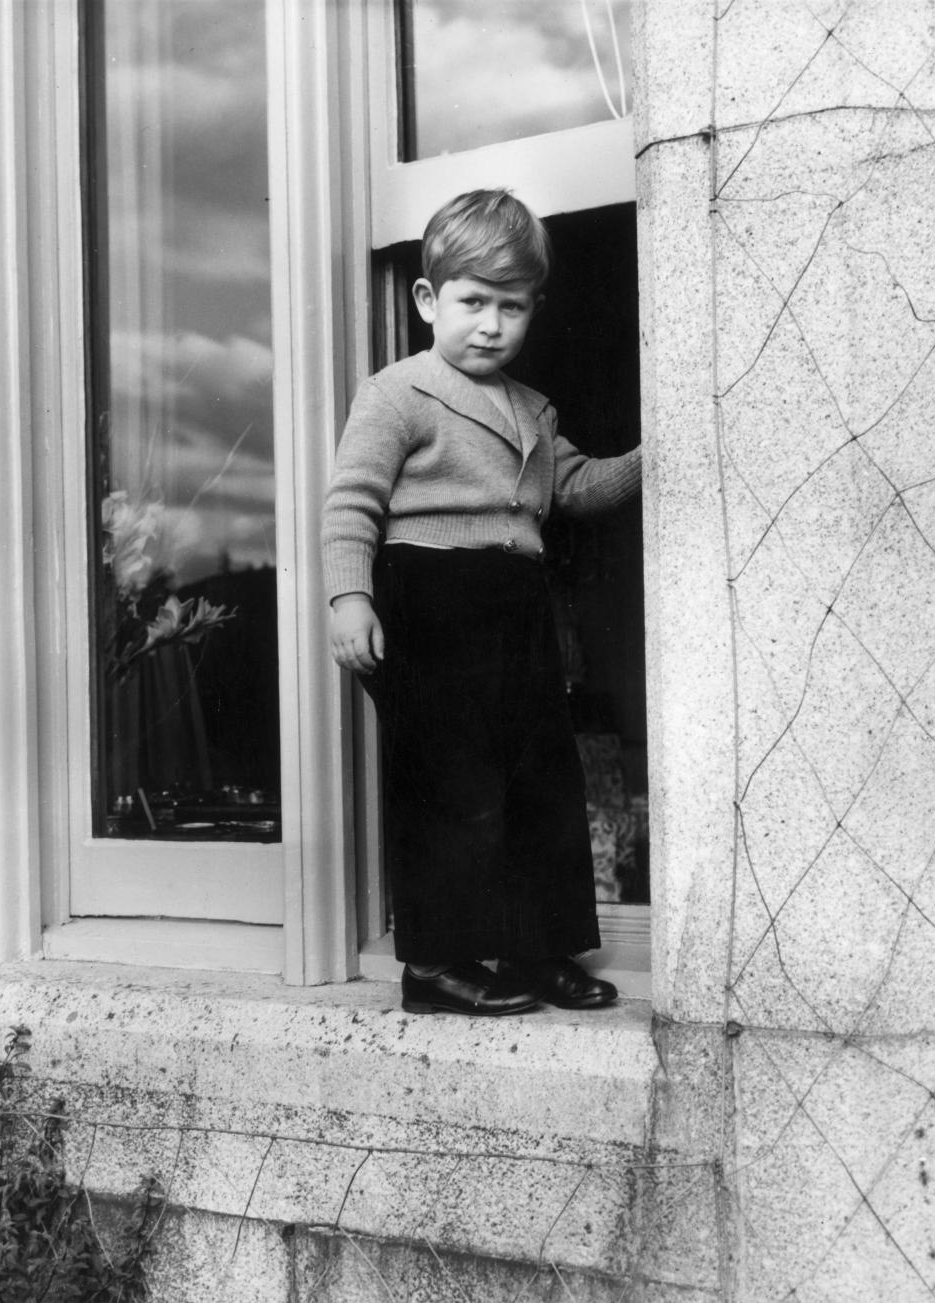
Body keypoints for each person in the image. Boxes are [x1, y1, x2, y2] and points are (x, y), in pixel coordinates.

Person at [321, 189, 641, 1016]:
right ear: (430, 300)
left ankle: (540, 952)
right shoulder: (398, 392)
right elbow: (351, 501)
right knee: (450, 783)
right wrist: (349, 596)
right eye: (473, 302)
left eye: (512, 306)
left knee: (542, 780)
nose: (491, 325)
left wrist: (655, 452)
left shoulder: (533, 407)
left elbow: (575, 485)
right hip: (428, 597)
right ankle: (436, 963)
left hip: (517, 604)